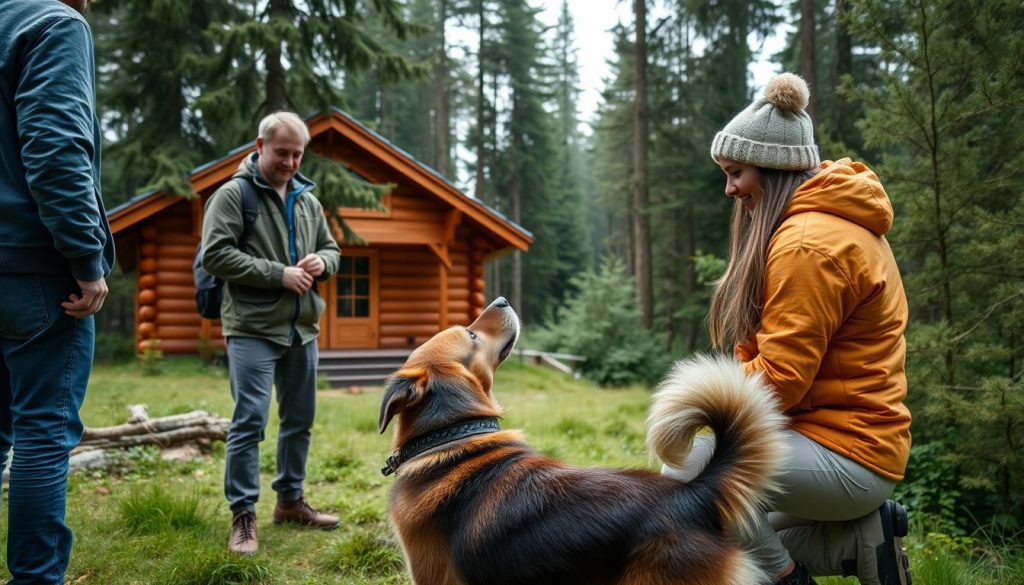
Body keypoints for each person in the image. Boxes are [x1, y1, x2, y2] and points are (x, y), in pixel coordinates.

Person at [662, 73, 913, 585]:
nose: (730, 189)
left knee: (690, 478)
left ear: (772, 169)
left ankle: (787, 580)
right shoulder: (825, 223)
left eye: (736, 173)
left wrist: (698, 404)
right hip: (844, 442)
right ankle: (863, 543)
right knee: (714, 528)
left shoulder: (807, 246)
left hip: (847, 451)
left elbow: (780, 382)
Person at [0, 0, 114, 582]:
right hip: (37, 273)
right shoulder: (53, 23)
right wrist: (86, 259)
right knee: (43, 433)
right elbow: (54, 148)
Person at [201, 111, 342, 555]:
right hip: (251, 329)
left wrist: (324, 262)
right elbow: (215, 256)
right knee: (250, 421)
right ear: (260, 146)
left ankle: (290, 501)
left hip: (302, 329)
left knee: (299, 420)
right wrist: (276, 274)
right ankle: (244, 515)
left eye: (298, 154)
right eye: (282, 152)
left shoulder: (308, 200)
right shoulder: (232, 196)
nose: (291, 162)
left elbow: (333, 248)